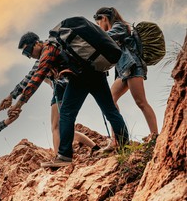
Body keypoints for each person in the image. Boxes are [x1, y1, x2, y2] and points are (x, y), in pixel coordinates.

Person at [8, 31, 129, 167]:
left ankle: (64, 156)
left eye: (28, 51)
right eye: (26, 54)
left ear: (37, 43)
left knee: (66, 114)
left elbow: (36, 78)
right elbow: (31, 76)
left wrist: (18, 105)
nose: (29, 56)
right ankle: (126, 147)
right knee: (110, 110)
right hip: (95, 72)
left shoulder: (48, 49)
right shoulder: (57, 43)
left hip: (80, 77)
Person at [3, 60, 111, 168]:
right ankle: (95, 147)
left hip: (59, 92)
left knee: (56, 127)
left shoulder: (46, 63)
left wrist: (14, 100)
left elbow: (28, 81)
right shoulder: (56, 62)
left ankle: (58, 158)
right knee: (66, 130)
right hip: (67, 90)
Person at [94, 7, 158, 140]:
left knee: (141, 102)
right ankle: (116, 140)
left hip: (133, 66)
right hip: (124, 71)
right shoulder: (118, 27)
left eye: (98, 23)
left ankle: (155, 136)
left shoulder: (119, 27)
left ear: (104, 18)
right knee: (110, 101)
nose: (99, 27)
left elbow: (105, 38)